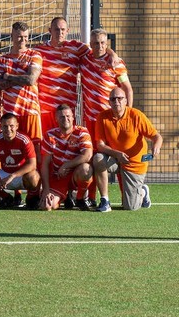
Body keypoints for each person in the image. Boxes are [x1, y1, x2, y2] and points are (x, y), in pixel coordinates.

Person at [80, 29, 134, 204]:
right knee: (94, 158)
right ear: (90, 44)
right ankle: (92, 197)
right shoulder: (84, 60)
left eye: (103, 43)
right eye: (96, 43)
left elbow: (127, 89)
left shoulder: (116, 63)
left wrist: (128, 114)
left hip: (112, 120)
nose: (100, 46)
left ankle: (127, 195)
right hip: (91, 120)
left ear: (107, 44)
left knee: (120, 156)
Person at [92, 87, 162, 212]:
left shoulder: (136, 115)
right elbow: (100, 146)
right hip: (115, 158)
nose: (116, 102)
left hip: (134, 163)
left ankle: (143, 192)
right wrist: (117, 154)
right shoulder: (102, 117)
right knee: (98, 159)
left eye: (120, 98)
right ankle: (105, 201)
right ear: (109, 102)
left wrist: (156, 146)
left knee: (130, 207)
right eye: (113, 99)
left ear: (126, 101)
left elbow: (156, 136)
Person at [0, 22, 43, 158]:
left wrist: (8, 76)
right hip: (11, 112)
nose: (23, 40)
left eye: (26, 37)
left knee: (35, 148)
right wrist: (21, 77)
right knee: (13, 147)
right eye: (19, 37)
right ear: (12, 36)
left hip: (30, 110)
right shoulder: (3, 59)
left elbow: (31, 80)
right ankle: (15, 178)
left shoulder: (34, 55)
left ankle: (36, 179)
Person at [0, 113, 41, 209]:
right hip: (4, 175)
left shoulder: (24, 140)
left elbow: (32, 165)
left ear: (17, 126)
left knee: (34, 177)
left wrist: (13, 176)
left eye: (11, 126)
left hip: (21, 176)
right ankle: (5, 197)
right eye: (5, 126)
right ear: (1, 127)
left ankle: (31, 198)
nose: (8, 129)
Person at [39, 104, 93, 211]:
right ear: (56, 119)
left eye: (68, 116)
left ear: (73, 117)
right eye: (62, 117)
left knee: (86, 169)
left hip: (74, 174)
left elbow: (87, 155)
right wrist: (45, 189)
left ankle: (80, 197)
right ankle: (65, 197)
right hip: (58, 177)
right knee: (47, 207)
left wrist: (67, 165)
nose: (66, 119)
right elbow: (44, 164)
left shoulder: (81, 131)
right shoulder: (49, 135)